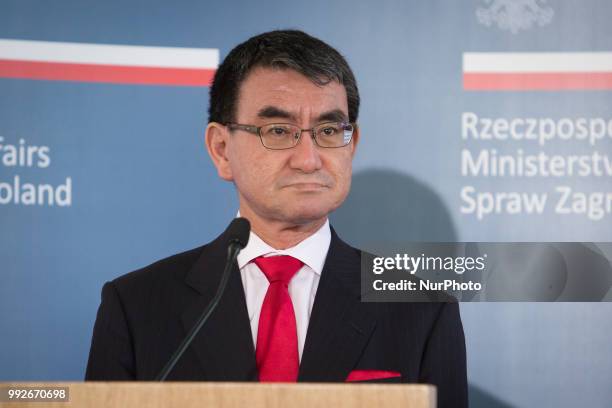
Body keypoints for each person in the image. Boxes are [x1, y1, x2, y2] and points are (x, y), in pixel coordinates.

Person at [85, 30, 468, 408]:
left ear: (352, 145)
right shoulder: (137, 306)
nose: (308, 158)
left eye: (330, 130)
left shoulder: (422, 310)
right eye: (279, 131)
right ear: (221, 150)